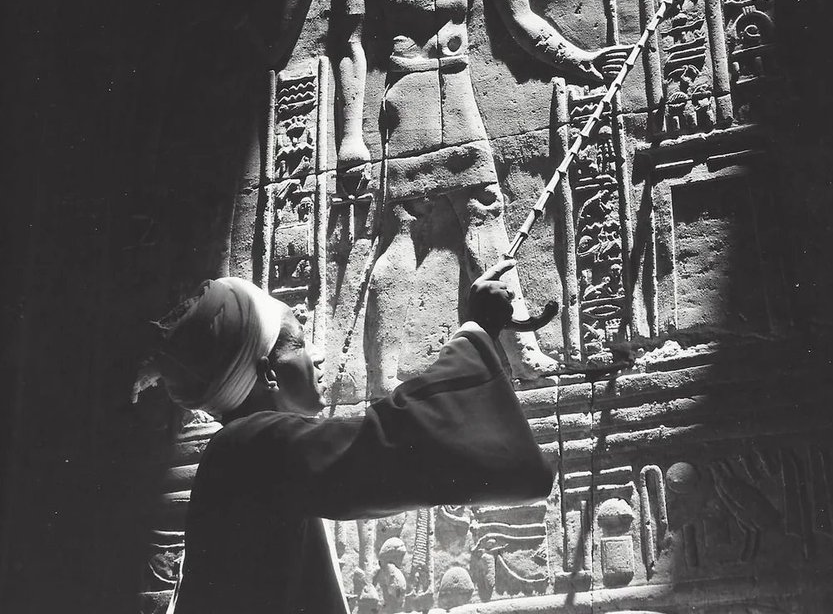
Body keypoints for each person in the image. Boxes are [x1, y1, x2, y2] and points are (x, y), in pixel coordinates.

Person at [331, 0, 630, 392]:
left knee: (483, 208)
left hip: (458, 84)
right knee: (406, 228)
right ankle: (384, 374)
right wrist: (350, 136)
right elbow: (348, 46)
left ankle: (521, 348)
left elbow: (518, 17)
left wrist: (579, 60)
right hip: (409, 94)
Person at [135, 263, 553, 614]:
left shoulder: (243, 446)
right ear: (266, 373)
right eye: (298, 342)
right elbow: (388, 446)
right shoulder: (255, 444)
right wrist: (476, 333)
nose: (317, 353)